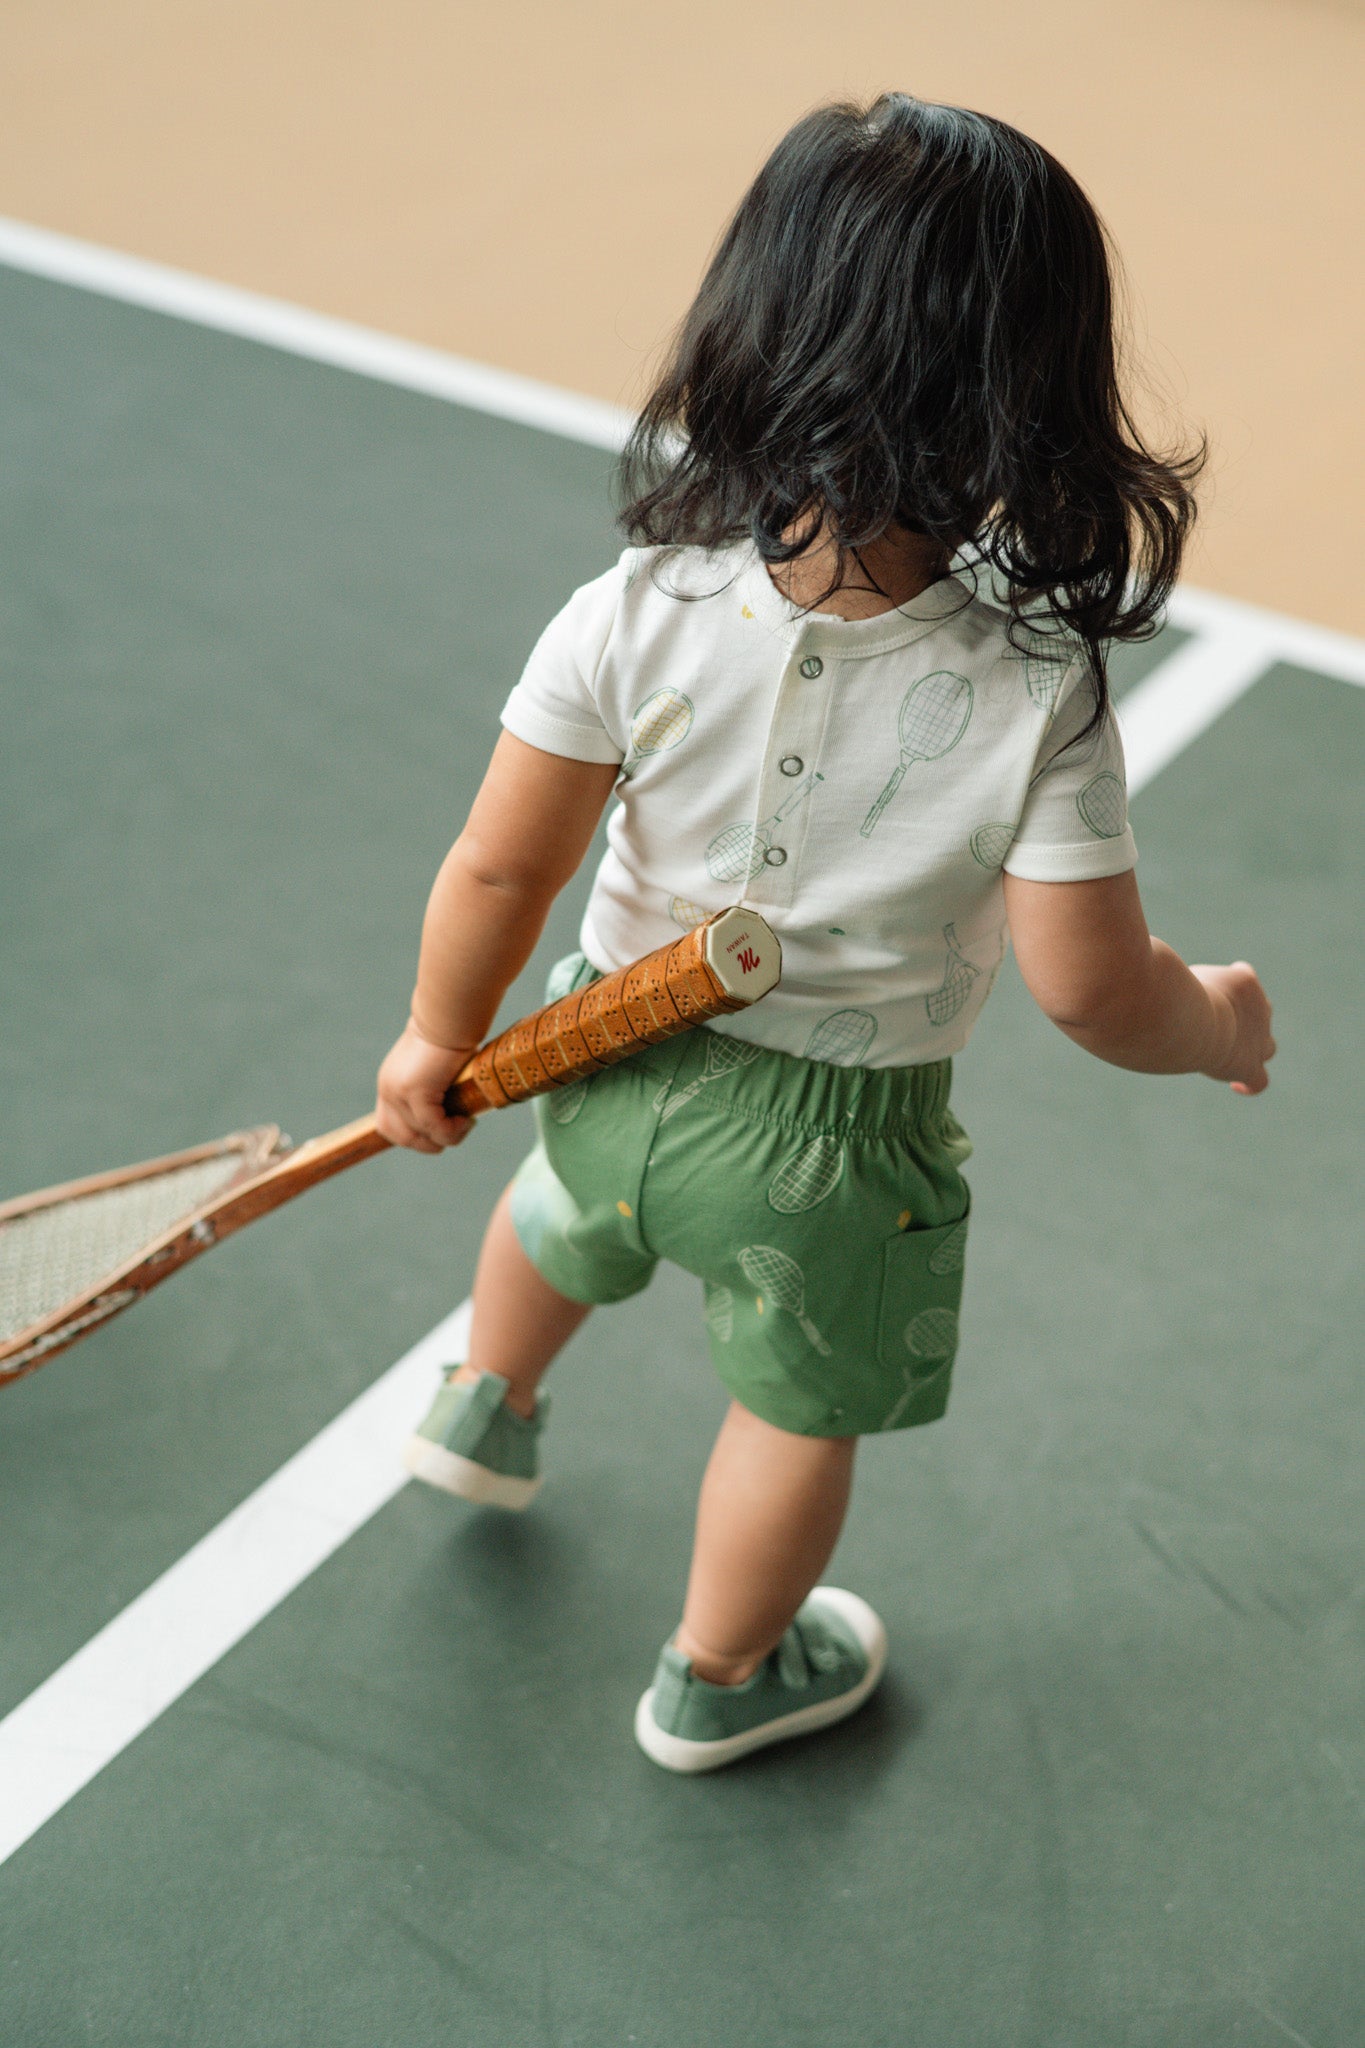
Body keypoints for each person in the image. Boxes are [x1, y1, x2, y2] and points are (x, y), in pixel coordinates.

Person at [375, 94, 1275, 1773]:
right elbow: (1092, 990)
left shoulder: (631, 607)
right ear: (1033, 389)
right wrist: (1216, 1022)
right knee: (794, 1409)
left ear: (751, 328)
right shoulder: (1031, 686)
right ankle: (720, 1676)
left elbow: (500, 871)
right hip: (830, 1155)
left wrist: (441, 1035)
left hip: (597, 1057)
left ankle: (483, 1405)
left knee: (564, 1211)